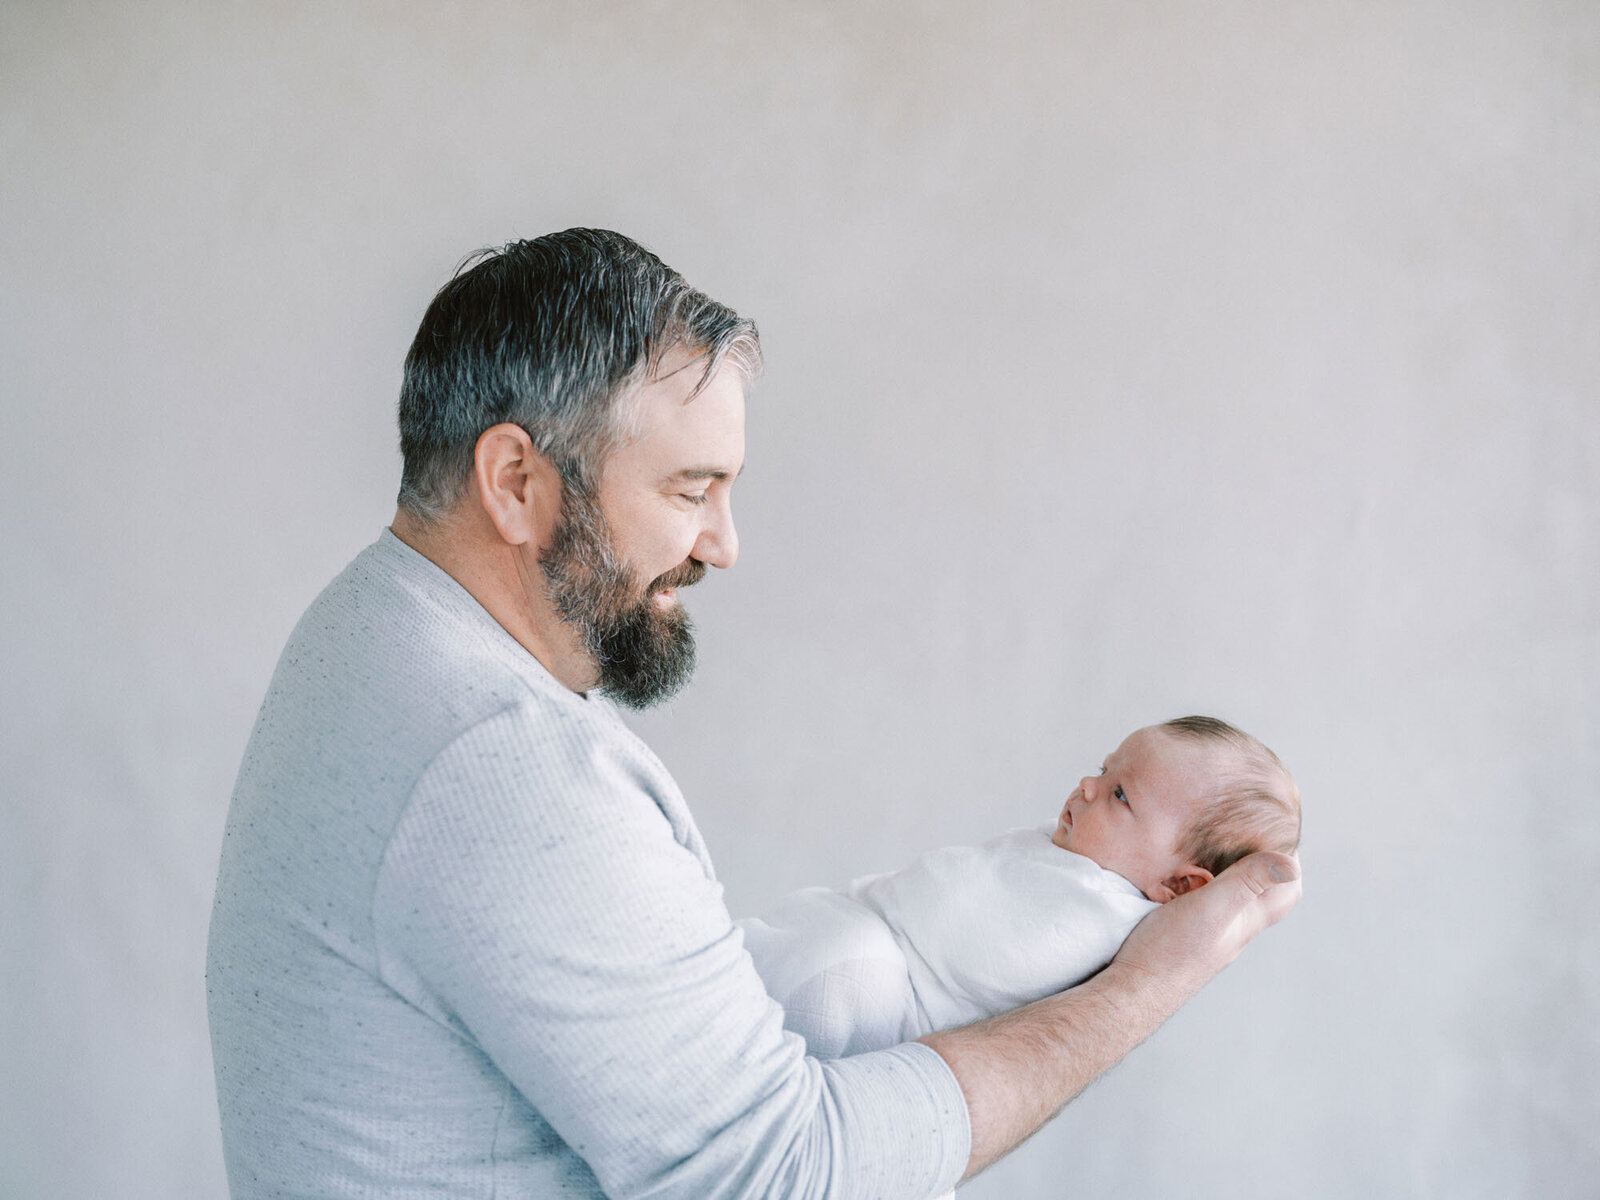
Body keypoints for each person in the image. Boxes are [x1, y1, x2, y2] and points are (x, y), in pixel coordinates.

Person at [206, 228, 1301, 1199]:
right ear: (516, 482)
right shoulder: (505, 763)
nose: (724, 544)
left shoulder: (368, 632)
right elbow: (776, 1174)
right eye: (690, 491)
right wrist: (1154, 976)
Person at [741, 716, 1301, 1060]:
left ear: (1179, 884)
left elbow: (984, 955)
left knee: (835, 980)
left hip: (898, 996)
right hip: (865, 921)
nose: (1087, 786)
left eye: (1121, 796)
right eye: (1102, 770)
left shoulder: (1103, 917)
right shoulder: (1077, 855)